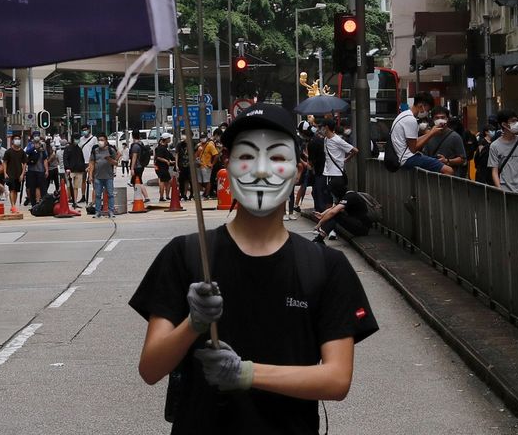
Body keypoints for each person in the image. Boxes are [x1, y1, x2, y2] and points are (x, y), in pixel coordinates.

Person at [130, 104, 378, 434]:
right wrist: (194, 323)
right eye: (247, 156)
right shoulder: (187, 255)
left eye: (277, 157)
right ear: (227, 165)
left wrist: (245, 374)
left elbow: (336, 379)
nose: (261, 171)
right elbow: (150, 368)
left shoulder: (325, 266)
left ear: (298, 168)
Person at [389, 94, 450, 174]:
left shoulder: (404, 115)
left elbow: (414, 141)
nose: (426, 113)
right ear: (421, 106)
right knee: (449, 170)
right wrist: (431, 134)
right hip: (407, 159)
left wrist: (431, 132)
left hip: (402, 157)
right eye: (427, 110)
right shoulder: (411, 120)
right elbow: (413, 148)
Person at [314, 118, 357, 214]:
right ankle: (327, 221)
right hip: (328, 174)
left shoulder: (337, 140)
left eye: (321, 127)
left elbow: (355, 150)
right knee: (329, 199)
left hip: (337, 175)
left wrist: (346, 159)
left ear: (326, 128)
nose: (320, 129)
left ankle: (328, 221)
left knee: (334, 200)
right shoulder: (325, 139)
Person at [489, 110, 518, 195]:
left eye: (517, 121)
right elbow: (494, 171)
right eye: (513, 121)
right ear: (504, 125)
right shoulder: (494, 146)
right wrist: (499, 189)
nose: (517, 123)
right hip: (506, 191)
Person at [419, 106, 467, 176]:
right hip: (431, 178)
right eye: (437, 118)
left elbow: (462, 159)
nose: (440, 120)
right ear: (432, 119)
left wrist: (447, 161)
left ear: (447, 119)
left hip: (450, 178)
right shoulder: (429, 136)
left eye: (443, 117)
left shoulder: (455, 137)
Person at [90, 134, 119, 218]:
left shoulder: (111, 150)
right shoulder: (95, 151)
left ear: (106, 141)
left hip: (108, 177)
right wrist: (91, 175)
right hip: (97, 177)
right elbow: (92, 163)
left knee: (110, 194)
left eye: (102, 140)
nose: (100, 142)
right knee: (98, 195)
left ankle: (111, 211)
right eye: (99, 140)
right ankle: (98, 211)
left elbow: (116, 163)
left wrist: (109, 159)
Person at [3, 136, 27, 213]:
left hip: (19, 174)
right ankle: (13, 206)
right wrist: (5, 173)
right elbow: (4, 162)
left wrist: (22, 174)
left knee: (16, 191)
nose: (17, 141)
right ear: (13, 141)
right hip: (10, 174)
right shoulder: (8, 152)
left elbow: (24, 163)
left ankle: (14, 205)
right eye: (16, 139)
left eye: (18, 139)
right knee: (12, 190)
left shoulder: (22, 152)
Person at [64, 136, 88, 207]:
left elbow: (82, 159)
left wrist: (83, 168)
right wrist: (67, 168)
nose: (77, 140)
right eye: (75, 138)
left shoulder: (79, 149)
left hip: (79, 170)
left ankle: (75, 202)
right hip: (70, 170)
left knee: (76, 187)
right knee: (69, 186)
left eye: (78, 139)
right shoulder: (68, 148)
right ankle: (68, 199)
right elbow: (65, 159)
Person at [25, 135, 48, 207]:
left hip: (40, 171)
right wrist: (33, 148)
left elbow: (45, 160)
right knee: (32, 187)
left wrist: (46, 170)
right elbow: (26, 154)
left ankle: (41, 202)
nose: (37, 143)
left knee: (41, 187)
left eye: (38, 142)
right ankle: (33, 204)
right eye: (35, 142)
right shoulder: (30, 148)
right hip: (31, 171)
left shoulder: (42, 149)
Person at [195, 136, 219, 200]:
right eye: (201, 137)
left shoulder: (210, 145)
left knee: (207, 181)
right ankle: (200, 195)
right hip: (199, 165)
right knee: (199, 181)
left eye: (203, 137)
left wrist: (212, 164)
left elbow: (216, 155)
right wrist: (197, 149)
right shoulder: (198, 145)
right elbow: (195, 155)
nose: (202, 139)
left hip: (206, 166)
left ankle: (206, 195)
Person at [154, 134, 174, 203]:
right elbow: (158, 157)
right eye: (169, 138)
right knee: (163, 181)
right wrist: (166, 161)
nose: (170, 140)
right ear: (166, 139)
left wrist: (170, 160)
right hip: (161, 167)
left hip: (163, 167)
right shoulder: (160, 148)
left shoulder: (164, 147)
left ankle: (166, 196)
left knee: (167, 181)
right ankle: (162, 197)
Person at [130, 137, 151, 204]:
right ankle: (142, 197)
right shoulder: (141, 144)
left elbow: (134, 157)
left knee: (137, 182)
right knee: (137, 182)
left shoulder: (135, 146)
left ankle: (141, 197)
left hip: (137, 166)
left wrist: (132, 168)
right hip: (141, 166)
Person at [77, 127, 96, 203]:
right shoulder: (81, 139)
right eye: (83, 130)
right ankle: (83, 196)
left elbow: (96, 149)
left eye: (86, 130)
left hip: (91, 161)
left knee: (93, 179)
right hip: (82, 162)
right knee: (83, 180)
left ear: (89, 130)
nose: (84, 131)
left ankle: (94, 198)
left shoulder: (94, 139)